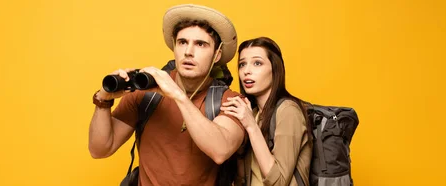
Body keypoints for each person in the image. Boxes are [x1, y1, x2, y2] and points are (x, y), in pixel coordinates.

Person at [88, 4, 245, 186]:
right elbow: (99, 150)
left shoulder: (230, 100)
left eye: (200, 44)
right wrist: (103, 100)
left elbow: (220, 150)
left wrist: (178, 95)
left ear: (217, 54)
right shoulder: (145, 94)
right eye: (182, 42)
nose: (188, 51)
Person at [220, 37, 312, 186]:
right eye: (242, 64)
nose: (246, 71)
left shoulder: (288, 111)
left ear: (275, 69)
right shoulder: (254, 113)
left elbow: (279, 182)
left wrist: (251, 127)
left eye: (257, 63)